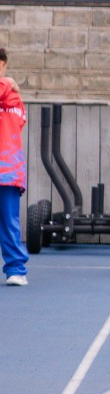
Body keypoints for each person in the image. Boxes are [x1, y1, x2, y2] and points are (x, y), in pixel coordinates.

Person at [0, 46, 24, 287]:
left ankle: (16, 268)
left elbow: (18, 122)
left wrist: (7, 85)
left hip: (8, 171)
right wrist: (9, 83)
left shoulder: (14, 98)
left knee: (9, 221)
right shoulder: (9, 88)